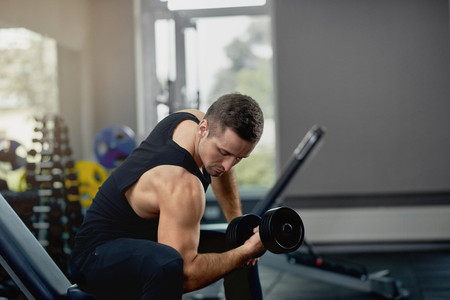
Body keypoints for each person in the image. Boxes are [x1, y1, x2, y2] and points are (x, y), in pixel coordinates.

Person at [69, 92, 266, 299]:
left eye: (238, 158)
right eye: (224, 153)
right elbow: (185, 276)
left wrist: (237, 225)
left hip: (146, 240)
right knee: (168, 265)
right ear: (203, 129)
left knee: (238, 243)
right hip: (95, 258)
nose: (227, 166)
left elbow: (226, 164)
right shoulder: (181, 183)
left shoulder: (196, 121)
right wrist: (245, 253)